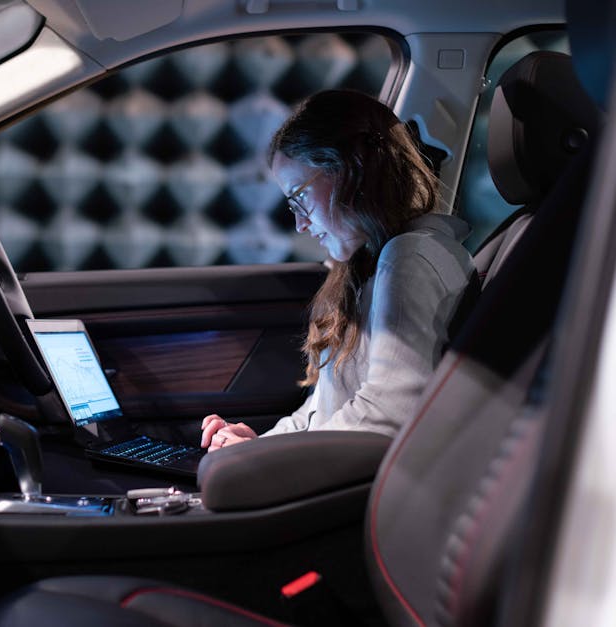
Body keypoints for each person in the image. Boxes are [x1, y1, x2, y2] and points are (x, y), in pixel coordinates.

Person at [201, 89, 476, 452]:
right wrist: (255, 448)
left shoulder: (410, 257)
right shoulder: (365, 266)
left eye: (299, 198)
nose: (299, 224)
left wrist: (268, 462)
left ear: (352, 171)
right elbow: (320, 413)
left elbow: (388, 415)